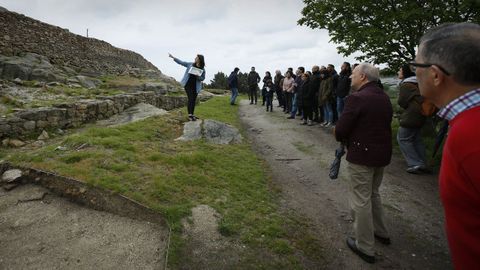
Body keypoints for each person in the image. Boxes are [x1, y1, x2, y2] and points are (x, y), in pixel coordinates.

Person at [413, 22, 480, 269]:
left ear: (435, 75)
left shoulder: (472, 137)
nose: (413, 72)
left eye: (416, 65)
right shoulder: (465, 123)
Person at [334, 63, 393, 264]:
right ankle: (381, 232)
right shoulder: (383, 97)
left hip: (362, 156)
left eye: (353, 75)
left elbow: (341, 130)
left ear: (363, 77)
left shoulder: (357, 98)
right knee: (373, 194)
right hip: (381, 155)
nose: (351, 78)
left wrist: (339, 132)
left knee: (360, 200)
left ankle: (365, 246)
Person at [396, 64, 428, 174]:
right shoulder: (418, 83)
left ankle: (415, 163)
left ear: (405, 72)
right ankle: (422, 162)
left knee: (403, 138)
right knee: (416, 139)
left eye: (400, 70)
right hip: (421, 114)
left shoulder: (406, 84)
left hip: (411, 115)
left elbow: (401, 101)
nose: (398, 72)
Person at [169, 53, 205, 121]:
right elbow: (182, 63)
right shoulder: (190, 64)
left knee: (193, 100)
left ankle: (192, 114)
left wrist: (198, 77)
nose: (195, 58)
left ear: (199, 59)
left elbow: (203, 78)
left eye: (196, 57)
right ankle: (190, 115)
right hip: (188, 85)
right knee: (191, 99)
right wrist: (173, 57)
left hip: (196, 86)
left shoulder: (202, 69)